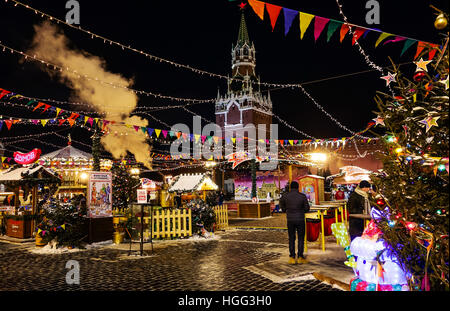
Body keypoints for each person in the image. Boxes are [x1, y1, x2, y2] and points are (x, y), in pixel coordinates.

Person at [279, 181, 310, 264]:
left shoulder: (285, 196)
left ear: (290, 187)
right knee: (301, 238)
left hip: (290, 220)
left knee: (291, 238)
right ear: (297, 187)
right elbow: (307, 208)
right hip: (300, 219)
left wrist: (284, 210)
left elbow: (281, 204)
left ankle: (292, 257)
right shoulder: (302, 196)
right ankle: (300, 256)